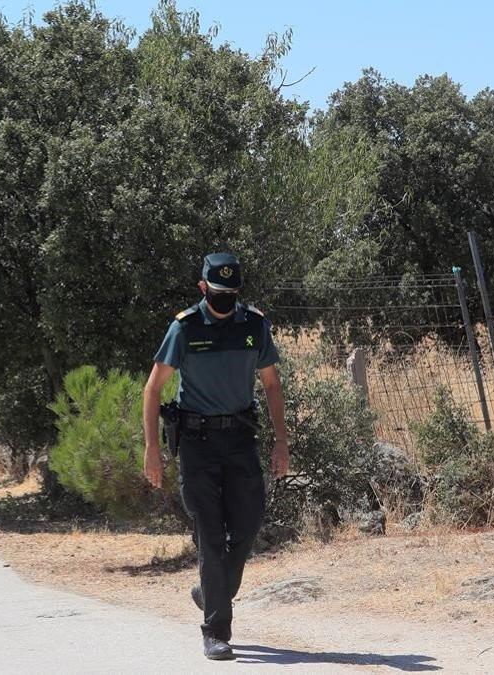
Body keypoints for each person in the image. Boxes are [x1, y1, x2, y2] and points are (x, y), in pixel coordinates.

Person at [142, 253, 289, 661]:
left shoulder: (254, 325)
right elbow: (153, 389)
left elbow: (272, 385)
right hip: (198, 444)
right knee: (209, 535)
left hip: (241, 440)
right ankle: (215, 630)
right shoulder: (184, 328)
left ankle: (209, 590)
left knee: (248, 523)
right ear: (203, 288)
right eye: (217, 293)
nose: (224, 301)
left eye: (231, 294)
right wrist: (152, 449)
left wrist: (281, 441)